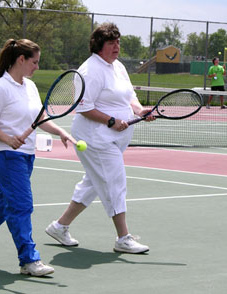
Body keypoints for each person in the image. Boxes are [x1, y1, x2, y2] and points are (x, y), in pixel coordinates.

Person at [0, 39, 74, 276]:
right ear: (21, 59)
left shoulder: (30, 87)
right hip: (6, 155)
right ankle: (29, 259)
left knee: (6, 203)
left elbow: (40, 118)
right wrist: (7, 139)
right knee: (22, 206)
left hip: (26, 155)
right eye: (34, 62)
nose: (37, 67)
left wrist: (61, 132)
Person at [45, 23, 155, 254]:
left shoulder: (118, 67)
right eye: (111, 43)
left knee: (93, 183)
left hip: (116, 138)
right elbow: (84, 107)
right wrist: (111, 121)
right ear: (99, 46)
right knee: (115, 182)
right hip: (95, 138)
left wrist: (139, 110)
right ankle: (123, 238)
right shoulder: (90, 71)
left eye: (118, 42)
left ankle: (59, 226)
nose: (116, 47)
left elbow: (130, 97)